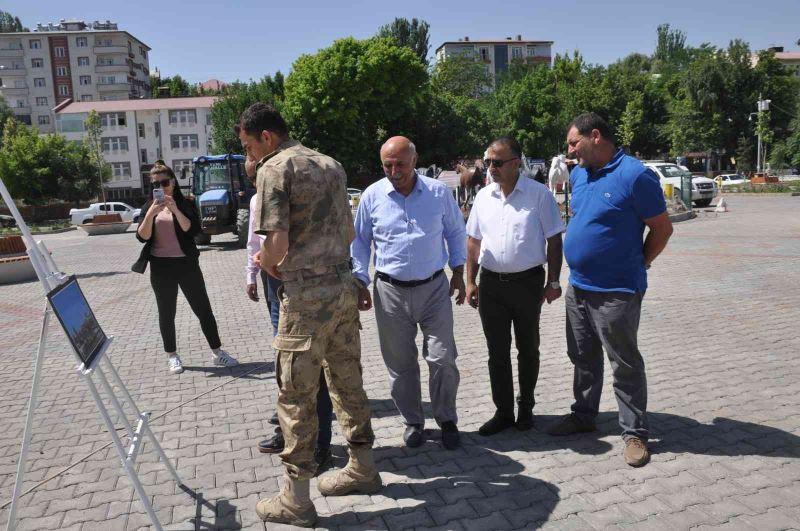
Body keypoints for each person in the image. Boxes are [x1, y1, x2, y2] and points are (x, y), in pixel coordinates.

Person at [239, 103, 380, 527]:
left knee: (296, 396)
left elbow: (276, 244)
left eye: (249, 146)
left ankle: (296, 501)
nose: (251, 156)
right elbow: (351, 234)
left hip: (304, 296)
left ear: (267, 137)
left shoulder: (274, 169)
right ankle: (363, 467)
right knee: (347, 380)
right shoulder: (331, 165)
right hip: (342, 287)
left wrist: (265, 262)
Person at [547, 113, 673, 468]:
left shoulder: (634, 176)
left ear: (596, 136)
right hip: (579, 288)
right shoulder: (579, 174)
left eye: (574, 143)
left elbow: (662, 229)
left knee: (624, 362)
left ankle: (635, 433)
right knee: (582, 357)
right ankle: (584, 415)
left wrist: (640, 263)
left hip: (617, 290)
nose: (570, 151)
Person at [351, 136, 466, 451]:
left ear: (414, 161)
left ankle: (447, 419)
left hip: (433, 288)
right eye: (387, 165)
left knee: (443, 359)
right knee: (400, 365)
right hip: (389, 292)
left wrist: (459, 271)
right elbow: (359, 241)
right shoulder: (372, 196)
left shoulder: (438, 193)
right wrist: (359, 279)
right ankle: (413, 422)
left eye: (400, 164)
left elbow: (456, 231)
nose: (393, 170)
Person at [465, 136, 565, 436]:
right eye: (488, 162)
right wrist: (471, 281)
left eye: (498, 162)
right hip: (492, 285)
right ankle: (503, 411)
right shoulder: (483, 197)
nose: (491, 168)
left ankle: (526, 407)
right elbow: (473, 242)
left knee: (528, 349)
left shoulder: (538, 195)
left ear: (516, 162)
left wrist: (554, 280)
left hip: (527, 283)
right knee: (496, 352)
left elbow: (554, 240)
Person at [243, 155, 334, 468]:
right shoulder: (258, 200)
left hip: (298, 284)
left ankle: (321, 443)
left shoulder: (299, 191)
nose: (259, 181)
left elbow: (284, 243)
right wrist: (252, 272)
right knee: (285, 367)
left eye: (261, 173)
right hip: (273, 285)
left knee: (310, 365)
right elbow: (254, 243)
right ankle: (288, 431)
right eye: (254, 177)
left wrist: (270, 260)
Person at [133, 162, 238, 374]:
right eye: (156, 184)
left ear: (173, 182)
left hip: (186, 265)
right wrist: (151, 214)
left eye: (165, 182)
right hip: (161, 267)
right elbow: (141, 237)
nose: (162, 187)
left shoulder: (186, 203)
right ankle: (172, 355)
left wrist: (174, 209)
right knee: (166, 312)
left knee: (203, 309)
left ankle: (217, 352)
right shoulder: (148, 207)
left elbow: (193, 231)